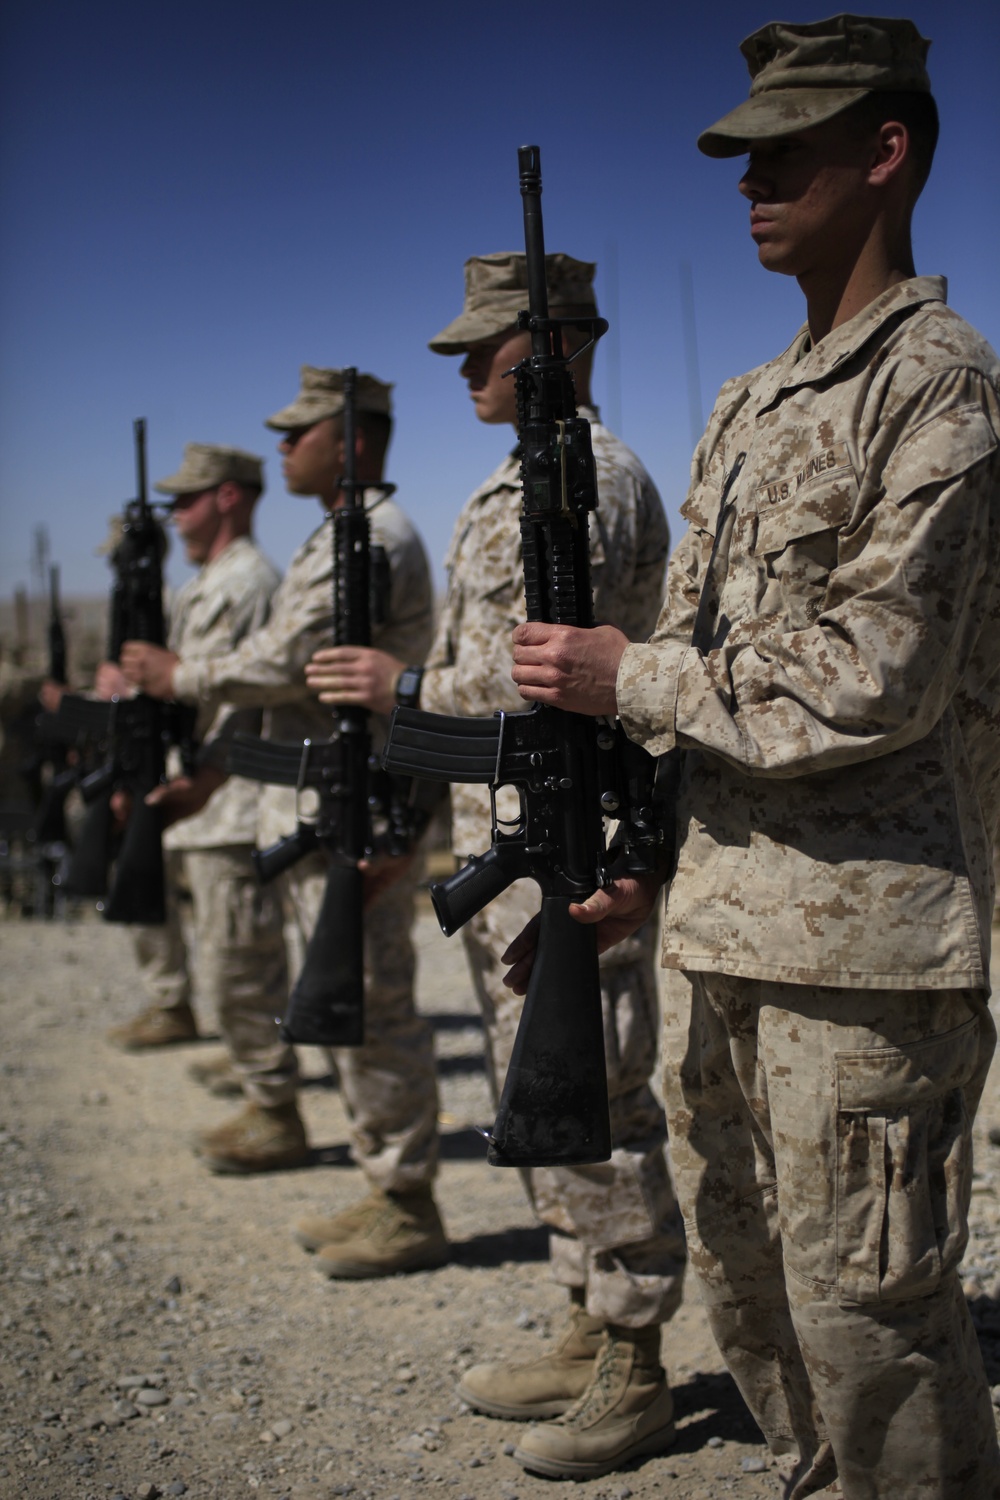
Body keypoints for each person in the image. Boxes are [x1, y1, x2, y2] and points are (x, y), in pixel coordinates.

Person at [503, 15, 1000, 1497]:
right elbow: (706, 666)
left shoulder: (942, 384)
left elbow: (876, 681)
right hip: (720, 926)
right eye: (741, 155)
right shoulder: (745, 402)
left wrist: (622, 674)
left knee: (875, 1310)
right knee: (754, 1281)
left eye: (784, 150)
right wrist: (640, 866)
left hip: (867, 952)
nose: (750, 180)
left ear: (886, 151)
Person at [306, 256, 687, 1480]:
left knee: (605, 1093)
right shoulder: (505, 483)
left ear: (563, 343)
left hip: (566, 822)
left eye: (489, 349)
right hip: (508, 826)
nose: (467, 371)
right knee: (546, 1087)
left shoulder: (593, 478)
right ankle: (585, 1317)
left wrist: (404, 692)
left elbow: (547, 677)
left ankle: (633, 1356)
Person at [119, 371, 444, 1268]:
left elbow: (297, 658)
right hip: (327, 801)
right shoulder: (336, 537)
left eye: (298, 434)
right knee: (341, 1000)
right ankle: (386, 1185)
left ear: (352, 441)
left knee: (372, 1006)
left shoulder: (374, 538)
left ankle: (407, 1201)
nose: (282, 448)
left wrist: (179, 677)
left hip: (363, 807)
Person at [104, 445, 296, 1142]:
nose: (175, 516)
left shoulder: (246, 582)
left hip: (230, 798)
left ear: (229, 497)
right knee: (227, 958)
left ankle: (274, 1107)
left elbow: (238, 700)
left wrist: (204, 770)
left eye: (186, 500)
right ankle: (259, 1076)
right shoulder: (207, 581)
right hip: (204, 794)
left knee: (240, 960)